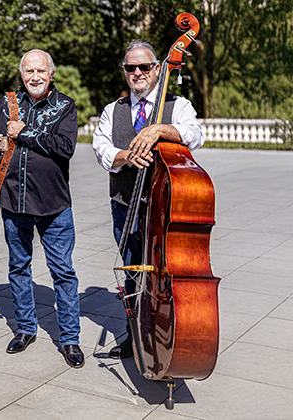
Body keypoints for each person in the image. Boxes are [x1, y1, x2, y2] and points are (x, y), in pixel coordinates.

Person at [92, 40, 203, 359]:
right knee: (132, 272)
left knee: (167, 273)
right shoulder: (113, 110)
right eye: (130, 68)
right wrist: (125, 155)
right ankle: (135, 334)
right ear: (124, 72)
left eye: (144, 66)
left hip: (166, 208)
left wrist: (159, 130)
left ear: (157, 69)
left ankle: (171, 334)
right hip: (124, 206)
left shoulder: (177, 105)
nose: (137, 72)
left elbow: (195, 134)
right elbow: (101, 148)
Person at [0, 49, 84, 368]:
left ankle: (70, 338)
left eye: (40, 71)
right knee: (18, 267)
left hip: (54, 205)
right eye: (28, 71)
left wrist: (25, 133)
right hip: (13, 202)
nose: (34, 77)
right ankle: (25, 328)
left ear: (51, 74)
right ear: (22, 74)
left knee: (63, 272)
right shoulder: (6, 105)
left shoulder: (65, 107)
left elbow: (65, 148)